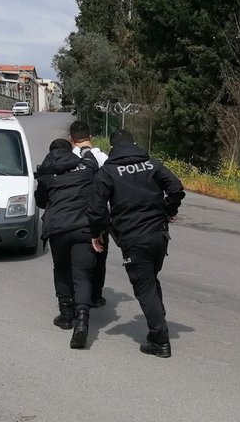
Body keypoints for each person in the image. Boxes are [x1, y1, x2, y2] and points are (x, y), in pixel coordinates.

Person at [87, 129, 185, 358]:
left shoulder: (108, 171)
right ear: (134, 143)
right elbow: (176, 188)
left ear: (112, 147)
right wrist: (168, 210)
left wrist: (97, 233)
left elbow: (95, 210)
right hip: (159, 235)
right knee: (151, 280)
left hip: (133, 237)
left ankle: (160, 341)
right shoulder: (152, 164)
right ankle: (157, 319)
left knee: (144, 288)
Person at [35, 138, 99, 349]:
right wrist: (86, 150)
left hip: (58, 229)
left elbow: (41, 202)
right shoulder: (86, 168)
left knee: (62, 269)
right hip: (83, 227)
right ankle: (82, 321)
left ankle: (65, 315)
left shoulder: (46, 174)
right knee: (82, 274)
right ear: (71, 150)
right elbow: (94, 164)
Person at [70, 120, 109, 308]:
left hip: (75, 214)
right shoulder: (102, 158)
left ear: (71, 139)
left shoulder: (68, 158)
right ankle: (95, 295)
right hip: (100, 214)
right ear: (90, 137)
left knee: (74, 259)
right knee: (100, 256)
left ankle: (75, 296)